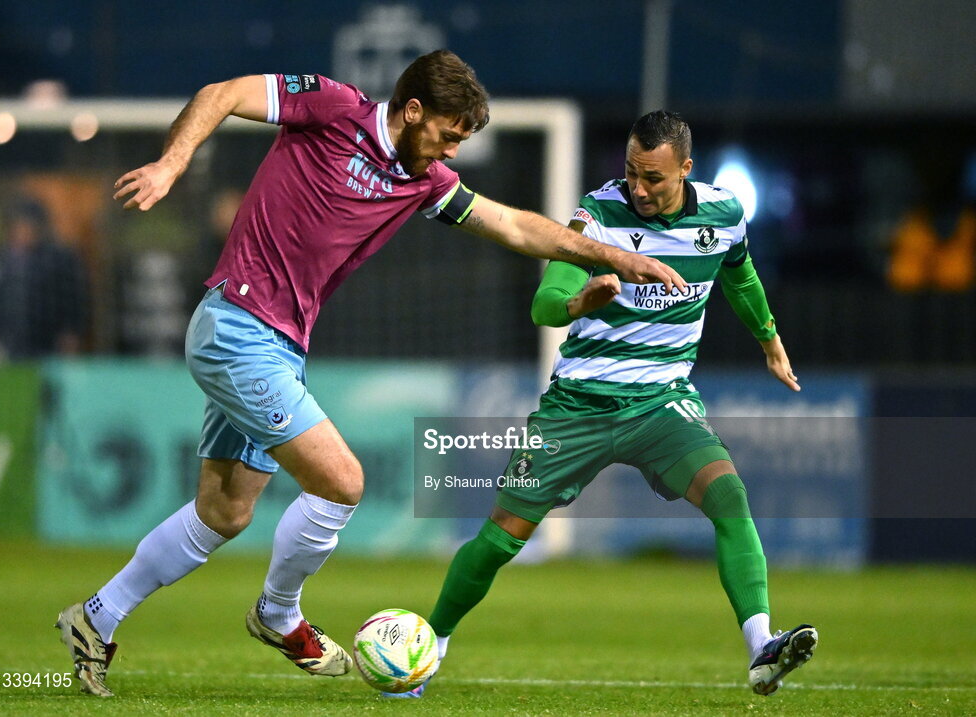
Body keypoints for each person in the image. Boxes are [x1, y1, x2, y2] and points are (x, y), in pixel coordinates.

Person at [55, 51, 686, 697]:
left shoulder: (426, 181)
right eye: (447, 133)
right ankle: (278, 616)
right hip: (236, 326)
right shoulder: (332, 107)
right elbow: (221, 92)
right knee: (342, 481)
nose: (451, 150)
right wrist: (173, 160)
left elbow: (515, 225)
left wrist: (612, 255)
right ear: (413, 111)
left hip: (279, 344)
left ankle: (94, 617)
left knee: (225, 510)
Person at [415, 111, 817, 699]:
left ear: (686, 168)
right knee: (502, 537)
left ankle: (761, 646)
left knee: (729, 496)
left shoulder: (724, 214)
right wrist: (583, 301)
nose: (640, 188)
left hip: (660, 405)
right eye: (632, 172)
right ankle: (432, 642)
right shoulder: (598, 216)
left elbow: (741, 276)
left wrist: (770, 341)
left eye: (653, 177)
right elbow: (544, 306)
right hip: (578, 406)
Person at [0, 198, 88, 358]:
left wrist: (71, 332)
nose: (23, 232)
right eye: (18, 226)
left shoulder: (59, 258)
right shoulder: (7, 260)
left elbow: (73, 299)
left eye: (27, 226)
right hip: (15, 342)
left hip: (49, 340)